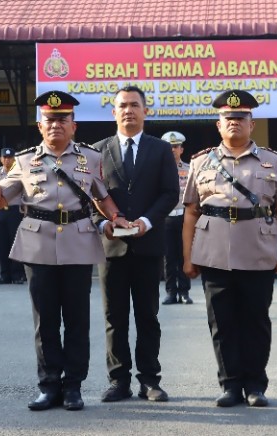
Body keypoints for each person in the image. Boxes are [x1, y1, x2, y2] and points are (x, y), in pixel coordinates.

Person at [0, 91, 127, 411]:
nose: (56, 124)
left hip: (78, 243)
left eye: (62, 119)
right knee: (44, 321)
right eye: (50, 119)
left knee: (76, 320)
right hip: (38, 245)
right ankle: (48, 386)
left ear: (74, 125)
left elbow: (101, 197)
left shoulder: (91, 158)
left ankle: (73, 387)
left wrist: (116, 217)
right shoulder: (24, 160)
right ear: (39, 126)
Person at [182, 89, 277, 408]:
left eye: (241, 117)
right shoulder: (200, 162)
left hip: (258, 252)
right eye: (228, 118)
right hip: (213, 253)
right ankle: (230, 384)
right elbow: (191, 213)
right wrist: (188, 257)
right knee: (222, 322)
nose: (234, 122)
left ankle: (255, 385)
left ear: (251, 124)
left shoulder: (274, 162)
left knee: (256, 321)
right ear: (218, 125)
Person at [93, 86, 179, 403]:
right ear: (113, 112)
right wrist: (103, 224)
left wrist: (146, 221)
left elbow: (170, 193)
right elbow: (88, 196)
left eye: (134, 105)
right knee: (114, 318)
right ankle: (118, 381)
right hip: (111, 248)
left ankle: (149, 380)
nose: (128, 110)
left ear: (145, 111)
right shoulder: (97, 151)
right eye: (123, 105)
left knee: (147, 316)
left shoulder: (161, 150)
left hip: (147, 245)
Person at [160, 131, 193, 304]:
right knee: (169, 258)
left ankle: (185, 292)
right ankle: (171, 292)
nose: (172, 150)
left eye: (175, 146)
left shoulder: (189, 169)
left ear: (181, 149)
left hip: (184, 218)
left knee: (184, 255)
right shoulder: (157, 170)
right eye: (169, 147)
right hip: (165, 218)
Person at [0, 147, 26, 285]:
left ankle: (18, 274)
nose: (7, 160)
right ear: (0, 159)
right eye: (4, 157)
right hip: (0, 211)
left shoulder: (20, 173)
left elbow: (26, 193)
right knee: (2, 244)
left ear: (14, 159)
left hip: (16, 211)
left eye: (10, 157)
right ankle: (5, 275)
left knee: (16, 244)